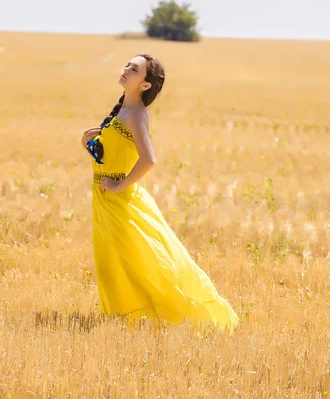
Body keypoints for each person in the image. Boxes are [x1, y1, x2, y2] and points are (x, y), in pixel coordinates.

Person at [81, 52, 240, 335]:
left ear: (144, 85)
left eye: (135, 69)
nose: (126, 70)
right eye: (127, 65)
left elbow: (149, 159)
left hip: (119, 198)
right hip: (103, 197)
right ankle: (122, 319)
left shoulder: (137, 115)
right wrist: (89, 143)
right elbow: (111, 156)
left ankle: (173, 314)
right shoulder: (122, 111)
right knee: (112, 261)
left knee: (142, 260)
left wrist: (119, 185)